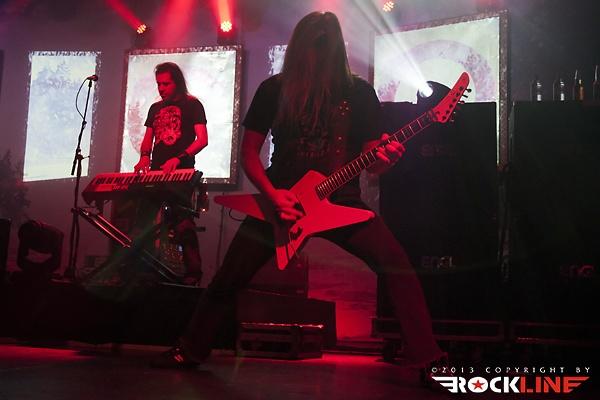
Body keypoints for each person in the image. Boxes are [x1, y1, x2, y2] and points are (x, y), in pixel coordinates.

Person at [155, 11, 445, 375]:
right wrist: (273, 194)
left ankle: (427, 357)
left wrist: (388, 159)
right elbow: (249, 153)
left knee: (397, 265)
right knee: (230, 276)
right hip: (281, 202)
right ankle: (190, 349)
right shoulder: (274, 89)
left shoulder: (359, 93)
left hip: (341, 201)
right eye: (314, 48)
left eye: (326, 48)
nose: (319, 57)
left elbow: (372, 161)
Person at [133, 62, 208, 286]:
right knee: (144, 221)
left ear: (177, 82)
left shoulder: (193, 104)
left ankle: (193, 273)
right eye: (159, 84)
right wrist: (144, 157)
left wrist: (179, 158)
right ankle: (142, 270)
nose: (161, 88)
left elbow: (202, 140)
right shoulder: (155, 108)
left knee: (182, 222)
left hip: (181, 172)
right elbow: (148, 139)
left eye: (166, 84)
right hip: (156, 173)